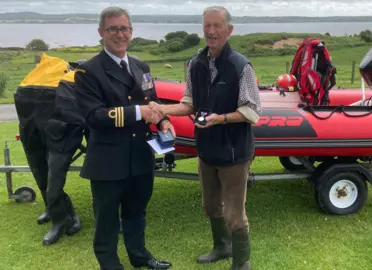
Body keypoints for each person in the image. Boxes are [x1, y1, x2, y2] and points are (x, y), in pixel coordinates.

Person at [149, 6, 261, 270]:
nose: (211, 32)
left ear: (229, 30)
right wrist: (163, 109)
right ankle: (222, 247)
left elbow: (252, 111)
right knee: (211, 206)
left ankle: (242, 263)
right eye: (207, 26)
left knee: (235, 214)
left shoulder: (241, 66)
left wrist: (220, 118)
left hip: (234, 152)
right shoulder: (196, 63)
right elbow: (189, 103)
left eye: (217, 26)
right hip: (207, 150)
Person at [74, 6, 173, 270]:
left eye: (124, 28)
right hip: (108, 161)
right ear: (101, 33)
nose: (120, 34)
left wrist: (163, 121)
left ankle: (140, 257)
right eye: (113, 29)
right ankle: (110, 264)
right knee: (106, 219)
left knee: (136, 213)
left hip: (140, 155)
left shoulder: (141, 66)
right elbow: (94, 116)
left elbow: (153, 101)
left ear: (131, 31)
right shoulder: (88, 72)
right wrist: (140, 112)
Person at [42, 66, 84, 245]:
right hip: (58, 135)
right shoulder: (64, 80)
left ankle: (67, 217)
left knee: (104, 180)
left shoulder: (77, 79)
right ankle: (61, 218)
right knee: (51, 183)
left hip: (73, 132)